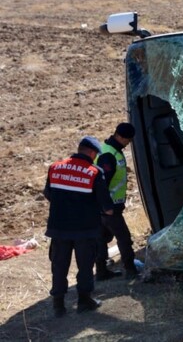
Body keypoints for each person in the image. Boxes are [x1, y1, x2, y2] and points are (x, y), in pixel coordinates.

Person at [44, 136, 114, 317]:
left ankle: (58, 305)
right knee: (85, 265)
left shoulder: (55, 167)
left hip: (59, 228)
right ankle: (84, 301)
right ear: (92, 153)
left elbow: (48, 193)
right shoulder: (94, 172)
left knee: (59, 265)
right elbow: (107, 208)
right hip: (85, 229)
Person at [95, 122, 138, 280]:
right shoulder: (109, 155)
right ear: (119, 136)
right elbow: (102, 183)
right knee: (124, 239)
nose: (129, 143)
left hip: (102, 207)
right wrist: (107, 207)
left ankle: (101, 272)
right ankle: (131, 270)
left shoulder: (107, 150)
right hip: (109, 208)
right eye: (128, 139)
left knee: (101, 239)